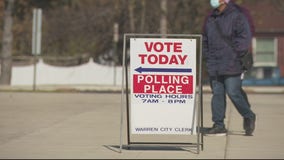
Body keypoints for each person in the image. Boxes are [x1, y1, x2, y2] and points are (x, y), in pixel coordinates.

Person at [202, 0, 256, 136]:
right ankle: (219, 125)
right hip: (214, 63)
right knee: (217, 94)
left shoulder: (237, 15)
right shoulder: (211, 17)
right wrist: (207, 55)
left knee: (233, 92)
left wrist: (234, 54)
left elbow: (244, 38)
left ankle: (249, 115)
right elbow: (205, 39)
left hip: (232, 62)